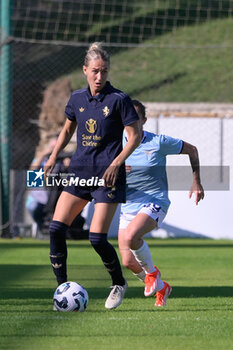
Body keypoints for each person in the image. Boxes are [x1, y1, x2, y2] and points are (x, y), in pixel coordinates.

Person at [44, 42, 140, 310]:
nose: (100, 77)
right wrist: (53, 157)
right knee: (55, 229)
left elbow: (135, 136)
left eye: (104, 71)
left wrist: (117, 162)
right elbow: (66, 131)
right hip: (80, 172)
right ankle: (61, 289)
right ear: (85, 70)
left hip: (108, 177)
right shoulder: (76, 99)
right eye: (95, 71)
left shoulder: (119, 100)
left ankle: (118, 283)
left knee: (96, 238)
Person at [118, 100, 204, 307]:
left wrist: (196, 181)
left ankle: (153, 274)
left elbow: (192, 149)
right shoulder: (116, 143)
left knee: (131, 237)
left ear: (144, 121)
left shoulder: (158, 142)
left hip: (155, 201)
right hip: (128, 205)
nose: (130, 123)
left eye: (135, 119)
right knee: (127, 261)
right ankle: (161, 286)